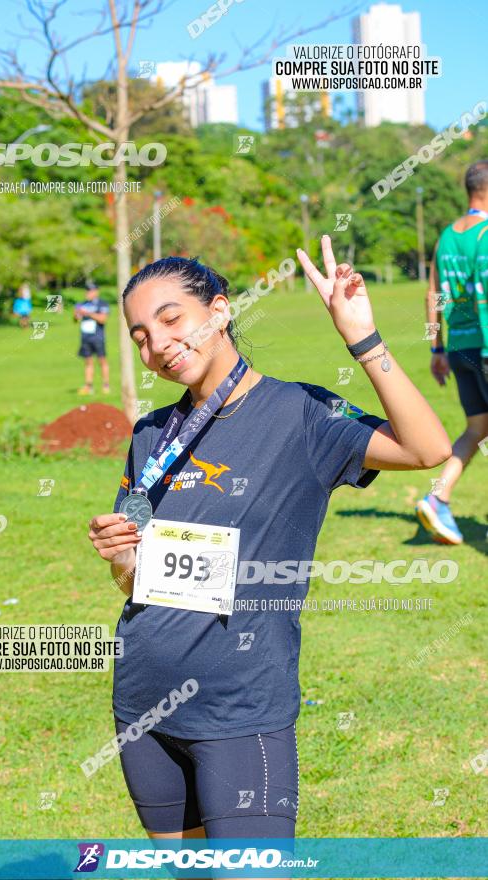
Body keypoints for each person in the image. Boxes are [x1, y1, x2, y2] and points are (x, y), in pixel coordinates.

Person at [87, 244, 450, 847]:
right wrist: (120, 552)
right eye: (141, 335)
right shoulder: (151, 433)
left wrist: (363, 338)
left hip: (241, 708)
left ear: (219, 311)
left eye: (172, 318)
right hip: (143, 702)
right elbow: (136, 580)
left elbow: (427, 448)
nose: (158, 344)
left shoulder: (300, 413)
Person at [415, 160, 488, 545]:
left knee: (478, 428)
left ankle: (437, 496)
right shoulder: (486, 234)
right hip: (485, 345)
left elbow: (433, 294)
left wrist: (436, 346)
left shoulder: (445, 236)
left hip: (458, 348)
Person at [74, 281, 110, 395]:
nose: (87, 293)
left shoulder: (102, 304)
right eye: (87, 290)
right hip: (85, 337)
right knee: (88, 362)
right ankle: (88, 386)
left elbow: (103, 319)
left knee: (102, 361)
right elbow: (76, 320)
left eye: (90, 290)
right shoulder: (81, 304)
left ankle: (106, 385)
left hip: (98, 337)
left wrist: (88, 313)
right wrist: (77, 315)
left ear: (96, 292)